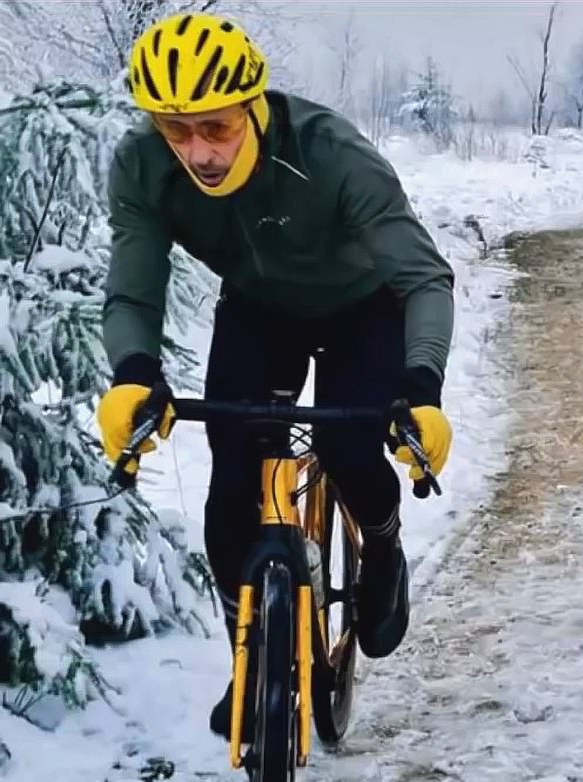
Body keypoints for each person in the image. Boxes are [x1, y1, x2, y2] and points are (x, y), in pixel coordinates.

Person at [96, 12, 454, 742]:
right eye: (176, 130)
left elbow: (424, 278)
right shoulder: (143, 165)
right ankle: (253, 651)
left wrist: (422, 391)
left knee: (350, 450)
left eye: (217, 127)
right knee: (233, 476)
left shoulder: (332, 156)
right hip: (260, 308)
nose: (199, 152)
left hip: (364, 306)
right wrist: (133, 375)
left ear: (254, 107)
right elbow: (133, 289)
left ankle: (382, 543)